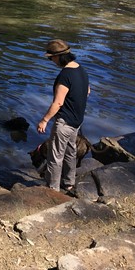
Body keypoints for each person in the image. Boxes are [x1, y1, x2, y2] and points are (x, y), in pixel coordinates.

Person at [37, 39, 90, 195]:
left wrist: (44, 120)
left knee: (55, 157)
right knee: (70, 152)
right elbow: (87, 91)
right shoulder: (81, 70)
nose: (51, 61)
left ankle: (52, 190)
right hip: (77, 121)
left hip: (64, 122)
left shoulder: (65, 75)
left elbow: (58, 102)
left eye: (51, 57)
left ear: (59, 56)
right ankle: (68, 184)